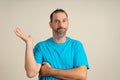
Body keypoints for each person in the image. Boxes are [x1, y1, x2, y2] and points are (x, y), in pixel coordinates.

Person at [15, 9, 89, 80]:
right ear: (50, 24)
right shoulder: (41, 47)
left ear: (68, 23)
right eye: (57, 21)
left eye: (64, 21)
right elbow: (31, 73)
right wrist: (28, 44)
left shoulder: (76, 45)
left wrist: (50, 71)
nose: (61, 24)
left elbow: (82, 75)